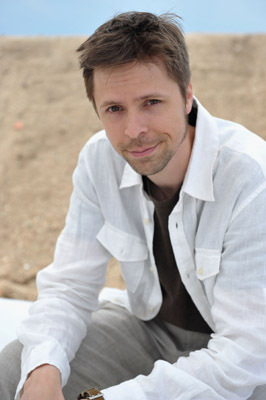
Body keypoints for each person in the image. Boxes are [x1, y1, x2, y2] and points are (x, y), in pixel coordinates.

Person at [0, 11, 265, 400]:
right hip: (152, 333)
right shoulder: (98, 161)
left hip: (251, 362)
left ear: (187, 95)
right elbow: (71, 285)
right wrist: (43, 371)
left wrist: (111, 398)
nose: (134, 130)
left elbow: (244, 354)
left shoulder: (251, 177)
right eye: (114, 109)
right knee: (15, 370)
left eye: (152, 102)